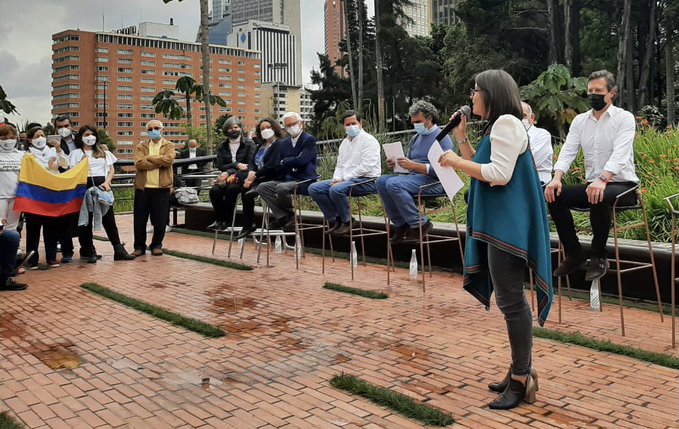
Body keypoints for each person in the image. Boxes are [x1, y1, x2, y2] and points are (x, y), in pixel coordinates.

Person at [439, 69, 552, 410]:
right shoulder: (502, 124)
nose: (472, 96)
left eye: (475, 91)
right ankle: (520, 370)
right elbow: (483, 164)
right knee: (510, 301)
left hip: (506, 227)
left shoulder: (506, 123)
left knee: (512, 302)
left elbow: (498, 175)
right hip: (502, 224)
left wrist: (456, 162)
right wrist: (460, 140)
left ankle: (521, 380)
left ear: (491, 93)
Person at [545, 70, 638, 281]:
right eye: (590, 91)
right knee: (552, 194)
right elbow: (568, 151)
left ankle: (598, 256)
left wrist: (603, 178)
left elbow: (620, 153)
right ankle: (575, 253)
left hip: (623, 185)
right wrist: (556, 178)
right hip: (593, 185)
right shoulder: (580, 121)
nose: (593, 95)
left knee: (598, 194)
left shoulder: (624, 119)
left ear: (611, 93)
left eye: (599, 91)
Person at [376, 100, 453, 244]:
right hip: (414, 179)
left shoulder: (443, 137)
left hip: (435, 181)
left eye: (418, 121)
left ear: (429, 118)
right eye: (413, 122)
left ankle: (420, 224)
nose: (415, 125)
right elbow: (409, 167)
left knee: (394, 184)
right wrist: (398, 164)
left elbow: (445, 170)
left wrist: (415, 166)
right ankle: (401, 224)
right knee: (381, 181)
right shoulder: (415, 138)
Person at [308, 110, 381, 235]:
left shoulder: (369, 140)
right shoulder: (344, 143)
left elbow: (367, 166)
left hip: (367, 180)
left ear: (361, 123)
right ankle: (336, 219)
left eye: (354, 123)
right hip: (347, 180)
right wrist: (336, 178)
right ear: (343, 126)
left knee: (336, 190)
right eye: (348, 124)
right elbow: (340, 165)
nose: (351, 126)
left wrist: (344, 179)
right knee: (314, 188)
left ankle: (348, 222)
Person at [69, 125, 135, 263]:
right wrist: (81, 165)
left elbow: (111, 169)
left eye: (92, 134)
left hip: (102, 187)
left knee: (109, 219)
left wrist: (107, 182)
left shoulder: (103, 152)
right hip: (83, 188)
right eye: (86, 135)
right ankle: (88, 250)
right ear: (81, 137)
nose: (90, 137)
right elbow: (71, 172)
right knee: (86, 220)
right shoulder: (75, 153)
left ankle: (118, 249)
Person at [257, 112, 317, 231]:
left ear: (301, 124)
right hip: (287, 178)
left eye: (293, 124)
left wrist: (287, 160)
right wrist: (291, 160)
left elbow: (303, 160)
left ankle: (289, 216)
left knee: (281, 188)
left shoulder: (309, 139)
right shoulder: (284, 143)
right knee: (263, 187)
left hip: (304, 180)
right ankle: (285, 216)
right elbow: (280, 163)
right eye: (288, 125)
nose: (291, 127)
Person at [24, 126, 69, 268]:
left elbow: (65, 165)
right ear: (30, 140)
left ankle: (51, 257)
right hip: (34, 195)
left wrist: (59, 149)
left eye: (42, 135)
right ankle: (32, 259)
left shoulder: (52, 151)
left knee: (51, 227)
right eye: (37, 136)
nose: (40, 138)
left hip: (51, 194)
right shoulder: (26, 154)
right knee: (33, 228)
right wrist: (47, 169)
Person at [235, 118, 285, 239]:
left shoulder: (280, 144)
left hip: (271, 177)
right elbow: (252, 161)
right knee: (243, 186)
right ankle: (248, 224)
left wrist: (254, 175)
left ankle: (248, 224)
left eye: (268, 127)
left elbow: (272, 165)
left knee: (246, 188)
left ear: (274, 128)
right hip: (258, 176)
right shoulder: (261, 146)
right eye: (262, 129)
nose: (265, 130)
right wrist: (251, 172)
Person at [132, 119, 176, 256]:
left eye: (156, 128)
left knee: (160, 219)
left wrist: (150, 158)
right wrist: (159, 161)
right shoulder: (141, 146)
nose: (153, 131)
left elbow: (168, 161)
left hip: (162, 188)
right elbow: (139, 163)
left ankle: (156, 245)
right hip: (143, 188)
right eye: (150, 129)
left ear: (162, 129)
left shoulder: (169, 145)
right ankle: (139, 247)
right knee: (139, 220)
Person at [207, 118, 256, 230]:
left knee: (231, 189)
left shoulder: (249, 144)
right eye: (230, 128)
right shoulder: (222, 146)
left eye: (236, 127)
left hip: (242, 177)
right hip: (226, 176)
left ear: (240, 128)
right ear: (226, 130)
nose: (233, 130)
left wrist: (230, 170)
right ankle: (220, 220)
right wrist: (236, 164)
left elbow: (248, 165)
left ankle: (226, 221)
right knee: (214, 191)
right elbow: (220, 165)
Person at [53, 115, 78, 262]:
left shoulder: (80, 141)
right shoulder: (53, 143)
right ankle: (67, 251)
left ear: (72, 126)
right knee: (63, 219)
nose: (63, 129)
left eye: (66, 126)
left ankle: (88, 249)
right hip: (60, 184)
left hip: (79, 184)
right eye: (60, 127)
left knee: (82, 217)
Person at [0, 123, 25, 231]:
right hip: (1, 197)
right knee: (0, 225)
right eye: (4, 138)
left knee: (12, 226)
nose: (8, 141)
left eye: (12, 138)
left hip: (16, 196)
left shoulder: (23, 155)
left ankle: (11, 247)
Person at [521, 102, 553, 185]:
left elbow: (529, 163)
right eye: (516, 116)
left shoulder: (542, 135)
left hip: (540, 185)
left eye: (523, 116)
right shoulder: (509, 136)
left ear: (532, 118)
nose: (520, 119)